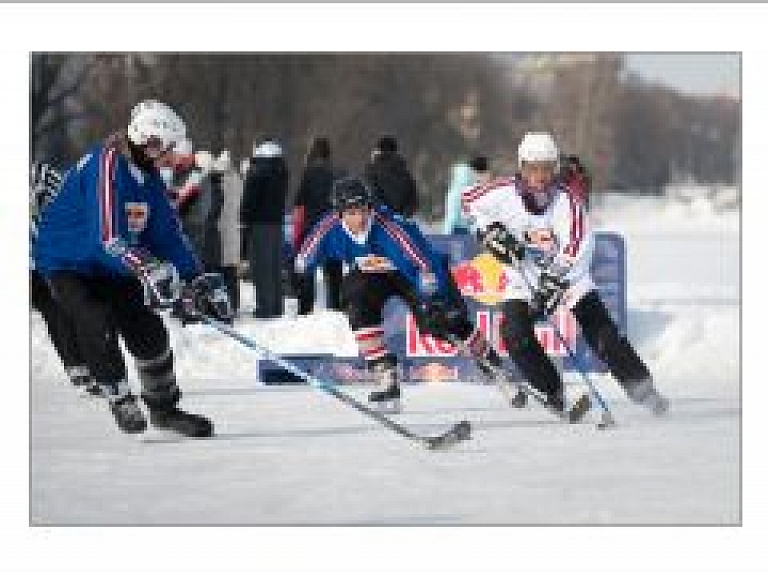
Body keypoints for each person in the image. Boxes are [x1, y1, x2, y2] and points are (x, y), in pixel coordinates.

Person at [33, 100, 233, 436]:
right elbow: (108, 238)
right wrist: (149, 268)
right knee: (95, 319)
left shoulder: (150, 177)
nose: (173, 156)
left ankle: (164, 409)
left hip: (109, 262)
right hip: (67, 262)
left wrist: (197, 278)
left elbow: (167, 236)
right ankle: (118, 393)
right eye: (168, 148)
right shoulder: (107, 166)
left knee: (147, 327)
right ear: (150, 143)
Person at [461, 131, 668, 415]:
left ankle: (642, 387)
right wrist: (487, 232)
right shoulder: (501, 192)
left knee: (600, 330)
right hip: (522, 277)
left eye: (547, 168)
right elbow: (469, 202)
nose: (540, 176)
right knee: (513, 332)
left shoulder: (566, 201)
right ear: (522, 167)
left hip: (567, 278)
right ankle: (552, 391)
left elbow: (579, 244)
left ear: (555, 168)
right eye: (533, 169)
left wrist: (556, 280)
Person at [295, 177, 538, 414]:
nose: (358, 218)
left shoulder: (390, 229)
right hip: (373, 275)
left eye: (362, 210)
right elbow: (305, 255)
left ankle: (493, 363)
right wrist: (296, 269)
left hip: (416, 274)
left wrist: (434, 301)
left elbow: (426, 265)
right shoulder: (330, 228)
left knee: (444, 322)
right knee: (355, 297)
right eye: (351, 213)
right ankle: (385, 375)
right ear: (338, 214)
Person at [29, 162, 97, 395]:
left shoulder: (42, 174)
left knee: (58, 309)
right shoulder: (41, 173)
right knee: (60, 309)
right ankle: (82, 369)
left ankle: (80, 370)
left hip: (47, 255)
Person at [292, 136, 344, 314]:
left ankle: (306, 308)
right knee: (334, 269)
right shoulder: (337, 172)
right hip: (332, 226)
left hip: (312, 226)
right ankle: (336, 306)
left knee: (309, 268)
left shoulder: (308, 172)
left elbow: (299, 199)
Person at [240, 137, 289, 318]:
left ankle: (265, 307)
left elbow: (249, 200)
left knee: (261, 267)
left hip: (259, 223)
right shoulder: (281, 169)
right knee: (274, 266)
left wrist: (244, 219)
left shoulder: (258, 170)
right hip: (276, 222)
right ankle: (276, 306)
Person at [364, 135, 420, 218]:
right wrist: (403, 216)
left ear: (378, 151)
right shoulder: (405, 173)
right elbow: (413, 199)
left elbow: (369, 195)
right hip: (399, 224)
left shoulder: (372, 171)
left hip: (379, 221)